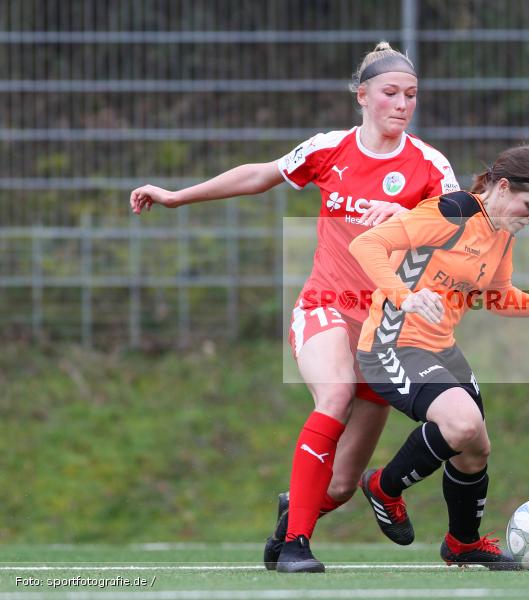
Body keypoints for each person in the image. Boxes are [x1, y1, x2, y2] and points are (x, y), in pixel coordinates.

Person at [129, 41, 460, 573]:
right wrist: (177, 195)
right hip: (325, 305)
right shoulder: (329, 148)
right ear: (362, 96)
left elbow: (457, 225)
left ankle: (293, 516)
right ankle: (295, 547)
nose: (402, 104)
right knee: (334, 394)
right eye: (390, 93)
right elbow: (260, 175)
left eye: (411, 95)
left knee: (341, 486)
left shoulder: (429, 164)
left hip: (384, 332)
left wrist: (404, 219)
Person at [347, 145, 529, 568]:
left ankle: (462, 543)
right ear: (503, 187)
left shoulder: (501, 233)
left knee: (475, 449)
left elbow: (497, 297)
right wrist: (403, 296)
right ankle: (384, 487)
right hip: (393, 344)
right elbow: (367, 244)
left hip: (441, 347)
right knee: (462, 424)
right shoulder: (451, 212)